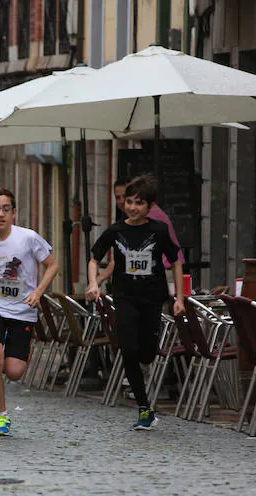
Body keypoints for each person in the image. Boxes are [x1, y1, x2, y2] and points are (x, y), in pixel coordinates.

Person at [86, 174, 185, 431]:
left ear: (149, 206)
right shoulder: (116, 230)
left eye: (139, 203)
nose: (132, 207)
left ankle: (144, 389)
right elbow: (95, 257)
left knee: (148, 354)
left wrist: (179, 299)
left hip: (152, 298)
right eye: (129, 201)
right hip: (125, 297)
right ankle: (144, 408)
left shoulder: (158, 231)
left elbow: (176, 261)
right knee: (128, 349)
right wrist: (93, 283)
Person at [0, 188, 58, 436]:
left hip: (22, 310)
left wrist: (38, 292)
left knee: (14, 372)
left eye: (6, 209)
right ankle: (1, 415)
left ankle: (4, 364)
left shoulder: (28, 238)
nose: (1, 214)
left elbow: (52, 264)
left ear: (14, 213)